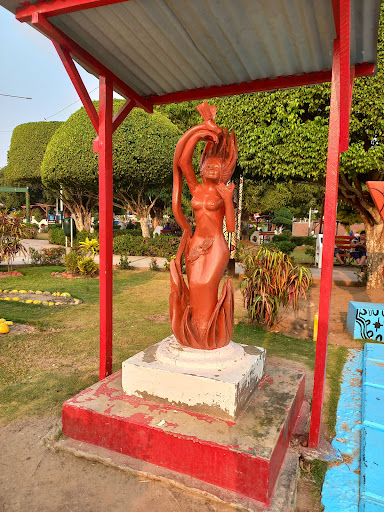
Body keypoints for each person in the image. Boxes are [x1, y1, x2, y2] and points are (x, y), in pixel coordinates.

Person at [169, 101, 237, 350]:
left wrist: (228, 201)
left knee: (207, 284)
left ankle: (208, 332)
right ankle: (196, 334)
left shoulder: (222, 193)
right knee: (195, 285)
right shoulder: (196, 188)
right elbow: (182, 160)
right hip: (196, 245)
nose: (211, 168)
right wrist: (199, 131)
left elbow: (230, 228)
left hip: (216, 246)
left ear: (223, 172)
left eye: (216, 167)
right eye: (208, 165)